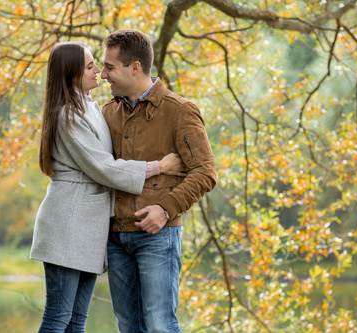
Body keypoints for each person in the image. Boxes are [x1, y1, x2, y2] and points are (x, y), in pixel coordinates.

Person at [30, 41, 185, 333]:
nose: (99, 72)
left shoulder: (89, 107)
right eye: (90, 66)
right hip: (69, 223)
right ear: (71, 72)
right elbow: (104, 167)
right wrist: (160, 166)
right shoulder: (68, 115)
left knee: (77, 320)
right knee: (58, 317)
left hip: (88, 228)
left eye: (97, 65)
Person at [100, 29, 217, 333]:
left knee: (160, 326)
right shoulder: (107, 112)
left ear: (134, 67)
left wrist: (164, 210)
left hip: (159, 238)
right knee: (128, 327)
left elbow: (205, 172)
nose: (103, 75)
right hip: (115, 237)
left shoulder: (179, 111)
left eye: (109, 67)